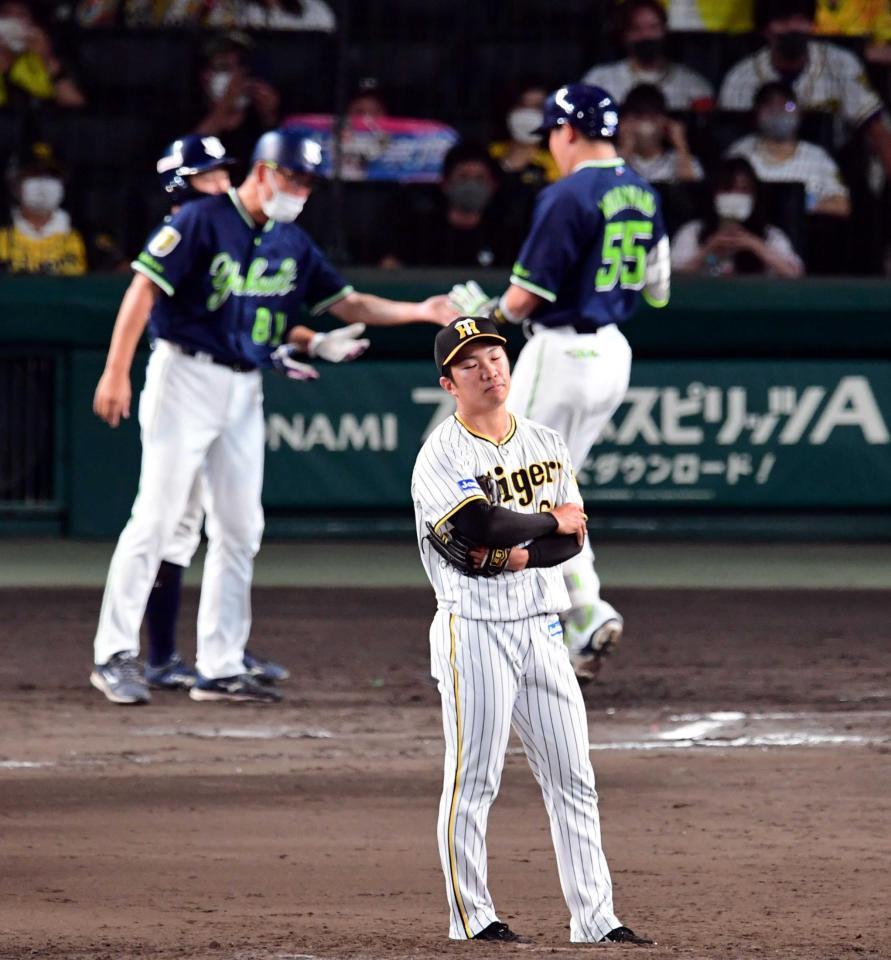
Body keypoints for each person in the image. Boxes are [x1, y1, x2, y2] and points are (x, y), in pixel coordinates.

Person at [90, 128, 453, 706]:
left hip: (243, 384)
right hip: (184, 376)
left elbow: (347, 303)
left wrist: (419, 311)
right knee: (156, 519)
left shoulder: (290, 240)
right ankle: (113, 653)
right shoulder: (201, 219)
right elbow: (143, 290)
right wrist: (115, 370)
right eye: (292, 177)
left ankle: (221, 662)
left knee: (240, 526)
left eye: (307, 182)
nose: (299, 190)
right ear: (260, 172)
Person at [412, 316, 653, 946]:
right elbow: (480, 532)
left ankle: (596, 920)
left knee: (574, 776)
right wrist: (545, 522)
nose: (488, 368)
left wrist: (528, 540)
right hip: (474, 631)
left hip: (543, 630)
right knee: (475, 781)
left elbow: (570, 547)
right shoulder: (442, 452)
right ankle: (472, 916)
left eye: (494, 354)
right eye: (471, 363)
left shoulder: (546, 441)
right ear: (449, 382)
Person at [448, 84, 670, 685]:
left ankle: (569, 620)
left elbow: (521, 301)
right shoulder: (646, 193)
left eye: (551, 134)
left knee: (512, 485)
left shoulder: (567, 194)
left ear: (567, 132)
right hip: (612, 355)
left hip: (561, 350)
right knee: (549, 488)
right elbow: (658, 291)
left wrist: (484, 311)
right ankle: (582, 617)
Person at [718, 0, 891, 178]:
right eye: (783, 21)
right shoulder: (740, 77)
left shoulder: (841, 63)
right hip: (761, 170)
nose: (793, 28)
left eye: (800, 19)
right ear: (766, 30)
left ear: (812, 25)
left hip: (834, 168)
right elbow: (729, 142)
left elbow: (877, 129)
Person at [378, 141, 516, 269]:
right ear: (445, 183)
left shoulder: (504, 236)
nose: (472, 185)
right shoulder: (419, 232)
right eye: (463, 177)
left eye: (480, 178)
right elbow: (390, 266)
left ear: (493, 185)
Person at [726, 82, 850, 217]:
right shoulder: (740, 153)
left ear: (799, 112)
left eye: (788, 106)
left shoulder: (817, 158)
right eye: (770, 108)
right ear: (756, 114)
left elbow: (843, 206)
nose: (780, 113)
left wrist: (799, 207)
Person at [671, 156, 805, 277]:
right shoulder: (692, 232)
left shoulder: (771, 235)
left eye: (743, 190)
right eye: (727, 189)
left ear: (754, 197)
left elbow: (795, 274)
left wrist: (756, 245)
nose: (735, 196)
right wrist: (708, 248)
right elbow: (672, 277)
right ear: (714, 194)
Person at [582, 0, 714, 111]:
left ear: (665, 31)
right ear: (624, 35)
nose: (646, 36)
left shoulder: (693, 85)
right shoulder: (599, 81)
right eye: (636, 28)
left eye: (653, 27)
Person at [193, 32, 280, 166]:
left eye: (240, 66)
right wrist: (228, 99)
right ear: (205, 76)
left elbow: (275, 163)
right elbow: (191, 155)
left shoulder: (256, 116)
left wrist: (269, 116)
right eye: (224, 68)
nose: (236, 77)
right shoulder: (186, 111)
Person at [0, 143, 87, 275]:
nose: (43, 184)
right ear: (14, 182)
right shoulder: (4, 230)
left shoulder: (84, 233)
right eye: (34, 175)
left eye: (51, 176)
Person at [0, 0, 84, 107]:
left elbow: (77, 107)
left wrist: (47, 57)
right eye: (6, 14)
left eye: (21, 15)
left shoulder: (40, 59)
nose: (13, 20)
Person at [619, 83, 704, 184]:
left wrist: (681, 144)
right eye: (639, 116)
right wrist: (625, 149)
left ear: (666, 121)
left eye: (653, 116)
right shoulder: (610, 160)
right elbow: (607, 189)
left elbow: (692, 192)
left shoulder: (685, 159)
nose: (646, 123)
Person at [488, 80, 560, 188]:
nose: (528, 112)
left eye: (538, 106)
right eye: (522, 104)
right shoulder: (488, 154)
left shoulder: (556, 168)